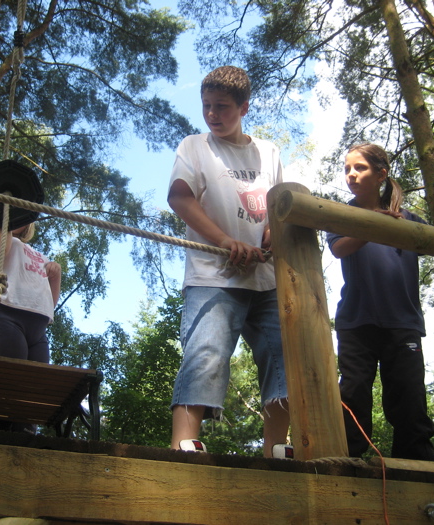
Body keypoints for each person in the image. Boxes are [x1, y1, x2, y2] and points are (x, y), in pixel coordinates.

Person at [167, 65, 291, 459]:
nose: (212, 115)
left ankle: (276, 446)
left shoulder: (268, 152)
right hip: (213, 273)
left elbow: (277, 208)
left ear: (244, 108)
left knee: (281, 352)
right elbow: (180, 197)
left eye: (222, 107)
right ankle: (185, 442)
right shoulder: (194, 146)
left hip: (267, 277)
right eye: (206, 106)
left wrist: (271, 233)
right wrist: (226, 241)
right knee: (207, 350)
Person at [326, 142, 434, 461]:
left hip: (403, 325)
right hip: (357, 323)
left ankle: (418, 467)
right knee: (354, 393)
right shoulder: (341, 214)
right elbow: (339, 248)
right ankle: (352, 460)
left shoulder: (408, 219)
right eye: (347, 169)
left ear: (381, 174)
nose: (351, 175)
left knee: (408, 398)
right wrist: (374, 226)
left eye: (360, 168)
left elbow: (433, 244)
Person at [0, 221, 61, 432]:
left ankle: (21, 456)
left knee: (29, 409)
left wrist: (56, 276)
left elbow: (47, 304)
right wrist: (4, 217)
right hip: (1, 313)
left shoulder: (37, 254)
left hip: (37, 329)